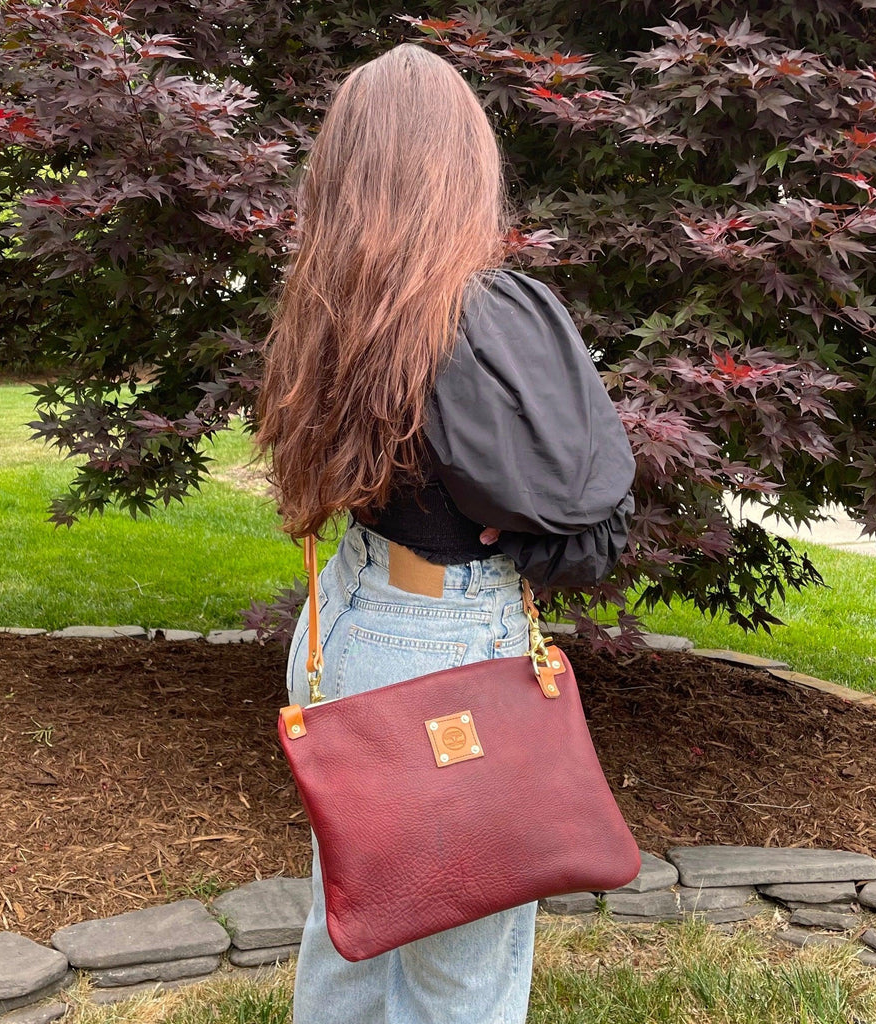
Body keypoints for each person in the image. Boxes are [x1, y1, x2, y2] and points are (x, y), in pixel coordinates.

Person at [255, 42, 636, 1024]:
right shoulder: (477, 316)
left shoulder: (332, 303)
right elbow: (587, 513)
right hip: (447, 646)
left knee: (353, 926)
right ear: (461, 165)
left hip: (344, 625)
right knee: (459, 978)